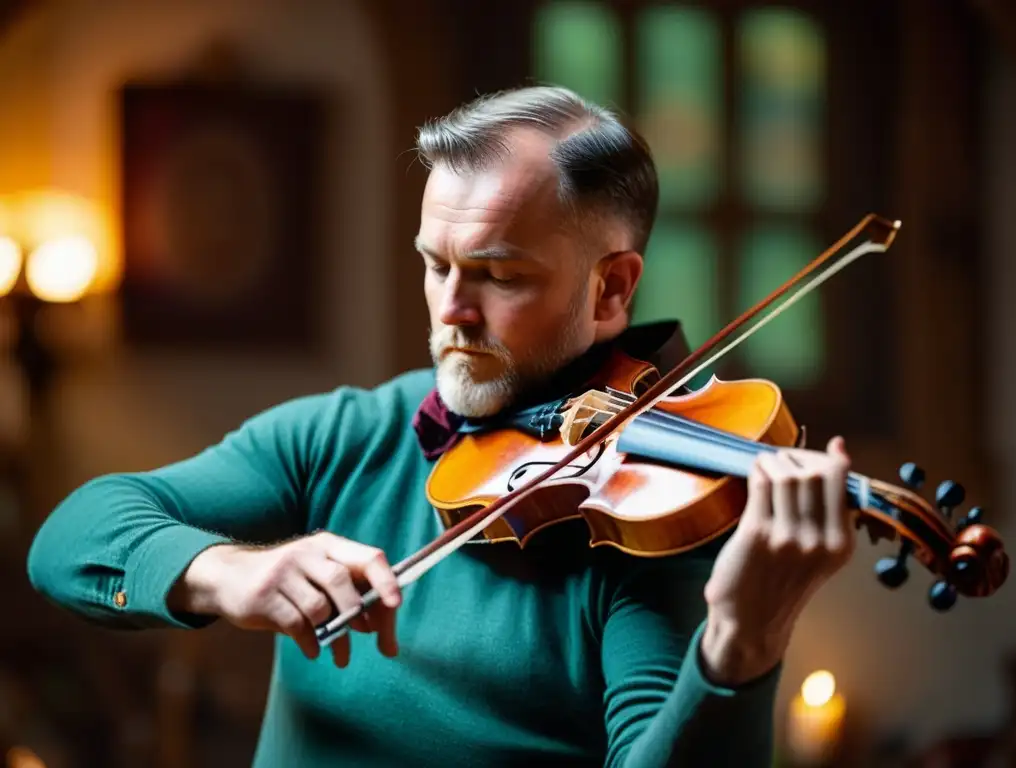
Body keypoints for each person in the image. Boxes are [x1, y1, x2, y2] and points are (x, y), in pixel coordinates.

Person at [26, 85, 855, 767]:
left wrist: (743, 644)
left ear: (610, 290)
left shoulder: (644, 520)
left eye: (498, 275)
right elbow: (70, 538)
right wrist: (228, 574)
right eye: (436, 265)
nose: (452, 311)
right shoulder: (349, 434)